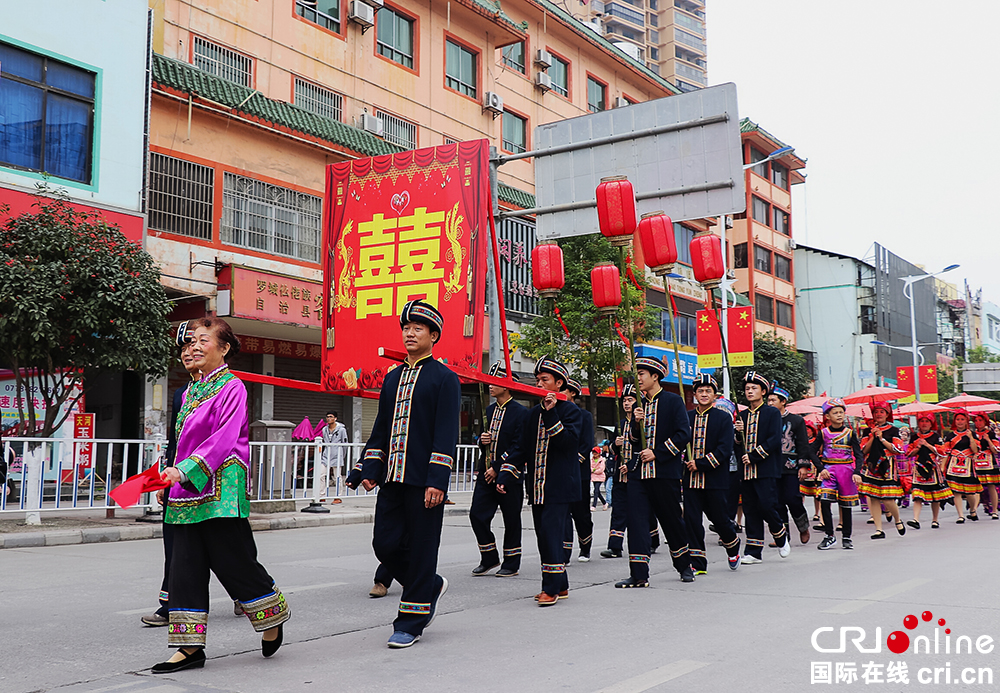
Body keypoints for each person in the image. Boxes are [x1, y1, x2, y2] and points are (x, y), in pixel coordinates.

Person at [152, 317, 289, 674]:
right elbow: (179, 443)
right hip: (184, 488)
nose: (192, 348)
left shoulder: (233, 387)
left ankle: (271, 618)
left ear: (224, 348)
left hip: (221, 489)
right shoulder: (187, 392)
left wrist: (185, 470)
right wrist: (167, 476)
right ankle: (188, 646)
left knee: (234, 562)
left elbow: (223, 440)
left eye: (201, 340)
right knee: (184, 566)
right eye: (187, 344)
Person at [359, 300, 459, 648]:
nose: (410, 333)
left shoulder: (445, 379)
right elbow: (381, 427)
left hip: (423, 482)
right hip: (392, 479)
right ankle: (429, 585)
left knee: (421, 549)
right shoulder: (393, 378)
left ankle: (411, 622)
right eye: (406, 327)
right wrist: (369, 467)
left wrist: (437, 481)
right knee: (383, 543)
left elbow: (446, 433)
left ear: (434, 335)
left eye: (418, 328)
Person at [497, 357, 582, 607]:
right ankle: (561, 584)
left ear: (558, 383)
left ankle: (551, 587)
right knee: (543, 534)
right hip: (536, 487)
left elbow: (567, 443)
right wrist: (506, 473)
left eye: (545, 379)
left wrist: (552, 412)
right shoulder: (531, 414)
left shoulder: (571, 411)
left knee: (551, 535)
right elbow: (520, 448)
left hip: (560, 486)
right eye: (538, 380)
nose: (540, 383)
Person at [615, 356, 694, 588]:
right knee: (637, 522)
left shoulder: (673, 401)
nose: (638, 378)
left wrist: (657, 453)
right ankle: (639, 574)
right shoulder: (639, 404)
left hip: (664, 472)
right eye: (637, 374)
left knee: (671, 521)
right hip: (639, 474)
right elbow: (634, 440)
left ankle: (684, 566)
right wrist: (635, 426)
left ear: (655, 376)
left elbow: (683, 434)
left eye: (642, 374)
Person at [469, 361, 529, 577]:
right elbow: (483, 439)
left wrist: (497, 467)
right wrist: (481, 440)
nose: (489, 386)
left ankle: (512, 563)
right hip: (486, 473)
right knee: (477, 514)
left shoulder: (521, 412)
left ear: (506, 385)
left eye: (494, 382)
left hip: (509, 474)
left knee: (511, 519)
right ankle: (489, 556)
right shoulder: (489, 410)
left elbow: (518, 445)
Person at [684, 374, 741, 574]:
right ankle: (698, 563)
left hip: (715, 479)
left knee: (719, 519)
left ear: (715, 395)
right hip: (690, 480)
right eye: (700, 391)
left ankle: (732, 544)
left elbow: (724, 449)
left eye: (708, 391)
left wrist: (701, 464)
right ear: (694, 394)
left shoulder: (723, 418)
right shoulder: (687, 417)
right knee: (691, 520)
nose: (704, 394)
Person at [733, 372, 790, 564]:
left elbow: (774, 439)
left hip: (765, 468)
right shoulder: (741, 415)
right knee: (750, 509)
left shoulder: (772, 412)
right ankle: (754, 551)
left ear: (763, 392)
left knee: (766, 505)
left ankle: (780, 534)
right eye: (747, 388)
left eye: (754, 388)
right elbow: (737, 445)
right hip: (746, 471)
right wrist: (737, 434)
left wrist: (754, 455)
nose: (750, 391)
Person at [768, 383, 817, 544]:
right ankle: (783, 536)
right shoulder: (766, 419)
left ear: (783, 402)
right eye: (768, 400)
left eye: (773, 400)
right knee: (776, 502)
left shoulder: (796, 421)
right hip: (772, 466)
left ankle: (803, 526)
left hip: (790, 466)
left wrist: (803, 465)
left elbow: (803, 444)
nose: (769, 403)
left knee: (793, 498)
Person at [812, 398, 863, 550]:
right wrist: (821, 468)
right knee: (825, 501)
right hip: (829, 471)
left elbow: (859, 454)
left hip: (846, 471)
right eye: (835, 413)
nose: (839, 415)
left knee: (845, 505)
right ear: (828, 416)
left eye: (841, 412)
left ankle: (846, 537)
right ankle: (829, 535)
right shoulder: (823, 433)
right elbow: (811, 451)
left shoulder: (850, 433)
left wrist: (857, 472)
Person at [858, 402, 906, 539]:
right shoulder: (868, 431)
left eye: (882, 412)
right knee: (873, 497)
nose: (878, 414)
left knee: (888, 499)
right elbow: (863, 450)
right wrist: (873, 437)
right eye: (876, 412)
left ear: (887, 414)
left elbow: (898, 450)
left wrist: (881, 438)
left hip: (887, 466)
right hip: (872, 465)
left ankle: (897, 520)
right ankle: (879, 529)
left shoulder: (893, 430)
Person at [601, 385, 638, 559]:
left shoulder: (642, 423)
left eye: (630, 400)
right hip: (619, 475)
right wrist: (615, 445)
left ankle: (651, 540)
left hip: (637, 474)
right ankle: (615, 546)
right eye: (624, 400)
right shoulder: (620, 424)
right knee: (618, 510)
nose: (626, 403)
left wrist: (631, 466)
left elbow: (644, 449)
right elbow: (611, 450)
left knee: (642, 510)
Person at [563, 378, 595, 563]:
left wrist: (571, 462)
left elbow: (586, 444)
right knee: (563, 514)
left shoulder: (584, 416)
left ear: (573, 393)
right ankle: (564, 552)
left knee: (581, 513)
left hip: (578, 472)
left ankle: (585, 547)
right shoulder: (554, 412)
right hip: (560, 473)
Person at [906, 413, 950, 529]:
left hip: (932, 468)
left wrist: (927, 444)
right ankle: (916, 519)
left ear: (931, 424)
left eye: (927, 421)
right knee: (917, 494)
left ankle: (935, 520)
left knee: (935, 495)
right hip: (918, 468)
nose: (924, 424)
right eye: (922, 421)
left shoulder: (935, 437)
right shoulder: (914, 437)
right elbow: (909, 454)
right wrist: (918, 447)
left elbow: (942, 452)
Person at [941, 409, 981, 523]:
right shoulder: (950, 435)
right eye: (957, 419)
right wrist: (942, 466)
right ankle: (960, 515)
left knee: (970, 492)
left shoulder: (972, 434)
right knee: (956, 491)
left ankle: (973, 510)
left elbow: (975, 450)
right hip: (953, 465)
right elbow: (946, 451)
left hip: (968, 465)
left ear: (966, 421)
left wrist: (970, 438)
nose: (959, 421)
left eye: (962, 419)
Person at [971, 413, 1000, 519]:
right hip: (976, 461)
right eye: (976, 420)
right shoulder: (972, 434)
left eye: (980, 420)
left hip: (989, 461)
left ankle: (995, 510)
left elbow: (995, 450)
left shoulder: (991, 434)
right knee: (976, 486)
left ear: (985, 421)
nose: (978, 423)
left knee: (991, 486)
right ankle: (973, 510)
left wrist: (988, 440)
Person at [321, 411, 349, 497]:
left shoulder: (341, 430)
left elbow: (345, 443)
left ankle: (338, 496)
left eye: (331, 416)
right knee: (321, 475)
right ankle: (321, 495)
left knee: (337, 477)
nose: (328, 418)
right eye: (327, 417)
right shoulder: (324, 429)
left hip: (337, 455)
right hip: (326, 455)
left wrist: (341, 456)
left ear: (335, 418)